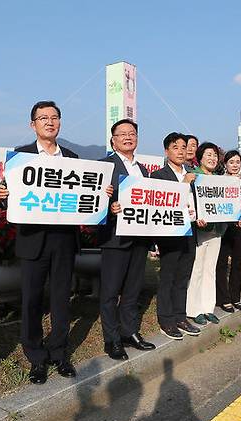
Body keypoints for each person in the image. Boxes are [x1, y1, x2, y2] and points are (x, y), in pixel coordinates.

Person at [0, 101, 80, 384]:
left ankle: (59, 353)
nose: (49, 122)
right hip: (33, 239)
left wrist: (101, 192)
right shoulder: (19, 158)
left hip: (64, 239)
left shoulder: (73, 158)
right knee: (31, 300)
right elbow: (5, 192)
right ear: (32, 124)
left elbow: (85, 197)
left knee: (61, 299)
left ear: (60, 122)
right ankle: (36, 357)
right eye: (42, 118)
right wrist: (4, 193)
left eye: (54, 117)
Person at [98, 119, 155, 361]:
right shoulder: (103, 166)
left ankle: (130, 332)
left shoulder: (142, 170)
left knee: (133, 289)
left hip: (139, 238)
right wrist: (109, 207)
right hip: (114, 237)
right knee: (110, 291)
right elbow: (92, 201)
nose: (127, 137)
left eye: (132, 133)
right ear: (113, 140)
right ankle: (111, 339)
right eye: (122, 134)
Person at [151, 132, 200, 340]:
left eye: (183, 147)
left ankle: (180, 316)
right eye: (175, 147)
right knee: (168, 277)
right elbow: (164, 202)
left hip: (191, 231)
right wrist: (185, 184)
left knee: (183, 276)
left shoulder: (193, 174)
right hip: (170, 234)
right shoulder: (159, 176)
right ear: (166, 151)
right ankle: (166, 319)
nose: (180, 151)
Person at [186, 142, 225, 325]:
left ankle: (208, 308)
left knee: (210, 270)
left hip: (217, 230)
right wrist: (197, 217)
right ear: (200, 157)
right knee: (198, 269)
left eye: (215, 155)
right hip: (200, 231)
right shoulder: (193, 176)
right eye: (208, 154)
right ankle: (194, 310)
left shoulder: (220, 179)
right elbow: (186, 200)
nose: (212, 158)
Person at [215, 150, 241, 313]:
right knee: (221, 262)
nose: (235, 165)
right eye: (231, 162)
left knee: (238, 263)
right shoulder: (219, 181)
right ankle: (223, 299)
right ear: (225, 164)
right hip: (224, 226)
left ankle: (235, 298)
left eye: (238, 162)